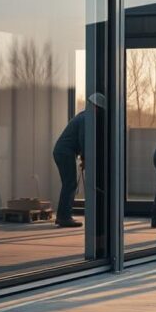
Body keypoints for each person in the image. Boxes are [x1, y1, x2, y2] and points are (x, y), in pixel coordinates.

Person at [51, 92, 105, 228]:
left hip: (63, 152)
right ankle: (64, 217)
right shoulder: (86, 119)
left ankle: (63, 215)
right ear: (95, 107)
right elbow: (84, 140)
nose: (99, 112)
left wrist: (84, 158)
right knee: (70, 184)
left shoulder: (82, 116)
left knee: (69, 184)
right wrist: (86, 158)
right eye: (99, 109)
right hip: (65, 152)